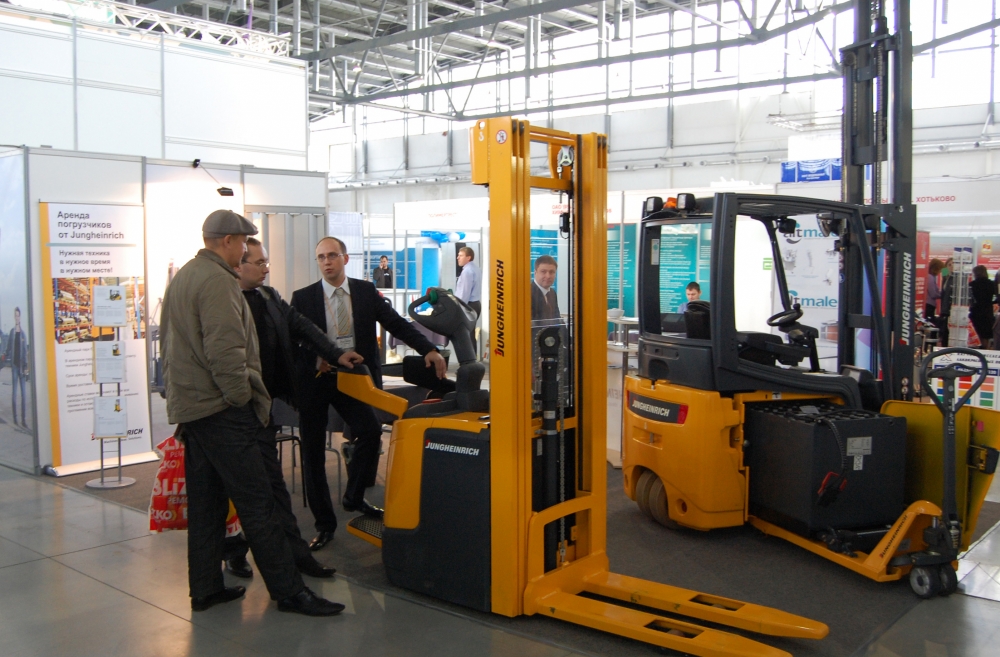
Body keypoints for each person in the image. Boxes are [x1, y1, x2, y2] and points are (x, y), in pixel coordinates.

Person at [160, 209, 342, 616]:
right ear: (227, 241)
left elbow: (172, 346)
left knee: (207, 505)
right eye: (243, 243)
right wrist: (242, 401)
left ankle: (205, 588)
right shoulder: (217, 282)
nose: (245, 251)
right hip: (223, 411)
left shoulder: (186, 276)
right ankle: (289, 591)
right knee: (259, 503)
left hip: (194, 411)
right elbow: (226, 353)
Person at [291, 236, 447, 551]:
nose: (326, 262)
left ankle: (354, 496)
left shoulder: (364, 291)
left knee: (371, 431)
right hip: (317, 380)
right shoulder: (303, 298)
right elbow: (292, 341)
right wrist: (316, 358)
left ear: (345, 258)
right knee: (312, 453)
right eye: (321, 257)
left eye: (332, 255)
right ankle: (324, 525)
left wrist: (428, 349)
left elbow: (396, 323)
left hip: (354, 376)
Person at [222, 237, 363, 581]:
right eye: (260, 263)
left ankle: (291, 564)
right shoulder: (223, 302)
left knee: (269, 491)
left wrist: (334, 354)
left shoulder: (268, 297)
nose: (266, 269)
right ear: (239, 264)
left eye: (266, 262)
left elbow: (301, 327)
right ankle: (237, 553)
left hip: (263, 406)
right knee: (242, 491)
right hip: (235, 410)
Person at [3, 307, 28, 428]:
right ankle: (15, 419)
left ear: (20, 317)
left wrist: (26, 367)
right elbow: (8, 348)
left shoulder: (23, 334)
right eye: (15, 315)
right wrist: (4, 356)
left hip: (22, 368)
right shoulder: (12, 332)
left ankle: (23, 420)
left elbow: (25, 351)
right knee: (14, 394)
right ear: (14, 317)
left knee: (24, 395)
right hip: (14, 367)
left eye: (18, 315)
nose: (17, 318)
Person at [455, 246, 482, 355]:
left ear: (468, 257)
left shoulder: (467, 271)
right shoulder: (475, 268)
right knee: (470, 333)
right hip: (475, 304)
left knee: (466, 335)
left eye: (461, 255)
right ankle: (472, 358)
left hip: (468, 305)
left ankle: (470, 359)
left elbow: (464, 293)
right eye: (458, 255)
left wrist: (457, 308)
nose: (458, 258)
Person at [969, 265, 996, 348]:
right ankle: (985, 350)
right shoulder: (991, 284)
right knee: (986, 335)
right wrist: (992, 302)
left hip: (975, 311)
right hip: (987, 311)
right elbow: (997, 297)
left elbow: (969, 299)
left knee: (977, 333)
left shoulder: (972, 285)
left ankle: (977, 350)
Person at [530, 255, 560, 322]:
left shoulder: (552, 293)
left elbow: (557, 320)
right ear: (535, 273)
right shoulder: (527, 294)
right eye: (543, 271)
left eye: (551, 272)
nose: (548, 276)